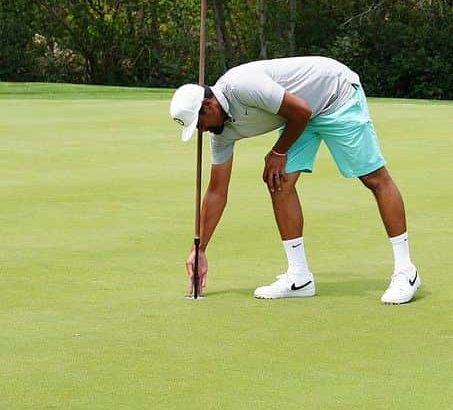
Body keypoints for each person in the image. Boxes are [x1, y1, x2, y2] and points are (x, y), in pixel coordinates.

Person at [169, 56, 420, 304]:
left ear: (209, 105)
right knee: (278, 181)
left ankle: (406, 272)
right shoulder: (219, 135)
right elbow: (216, 193)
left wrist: (278, 152)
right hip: (300, 116)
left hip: (335, 95)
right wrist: (200, 249)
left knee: (373, 177)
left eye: (199, 123)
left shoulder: (241, 85)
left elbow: (301, 110)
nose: (200, 131)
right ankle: (300, 278)